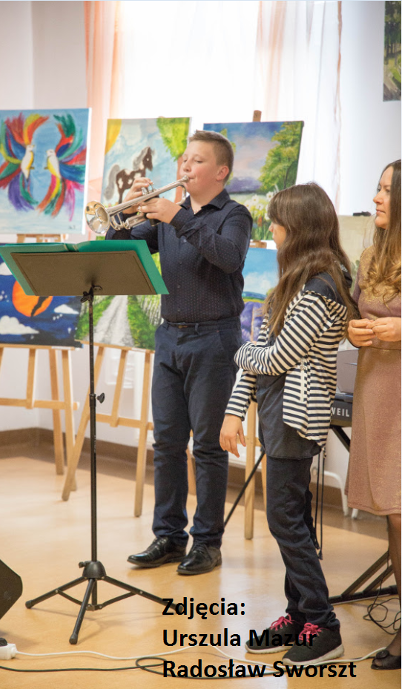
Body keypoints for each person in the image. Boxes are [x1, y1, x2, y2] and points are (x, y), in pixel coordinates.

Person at [105, 130, 252, 575]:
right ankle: (169, 536)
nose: (185, 167)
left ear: (221, 172)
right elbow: (116, 252)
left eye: (197, 161)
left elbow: (228, 257)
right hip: (169, 337)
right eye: (184, 159)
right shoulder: (169, 215)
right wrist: (124, 213)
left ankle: (207, 543)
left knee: (207, 447)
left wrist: (177, 217)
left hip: (215, 339)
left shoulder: (234, 215)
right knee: (167, 444)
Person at [220, 182, 355, 665]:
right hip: (277, 416)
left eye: (277, 223)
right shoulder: (293, 282)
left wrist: (236, 350)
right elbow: (261, 356)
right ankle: (299, 616)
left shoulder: (323, 287)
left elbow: (274, 357)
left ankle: (324, 625)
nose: (271, 230)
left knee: (284, 520)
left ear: (298, 229)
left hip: (297, 420)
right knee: (292, 518)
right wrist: (234, 410)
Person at [345, 160, 401, 671]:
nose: (377, 197)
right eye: (377, 188)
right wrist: (354, 330)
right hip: (376, 390)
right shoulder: (369, 256)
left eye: (387, 190)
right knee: (392, 508)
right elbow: (354, 313)